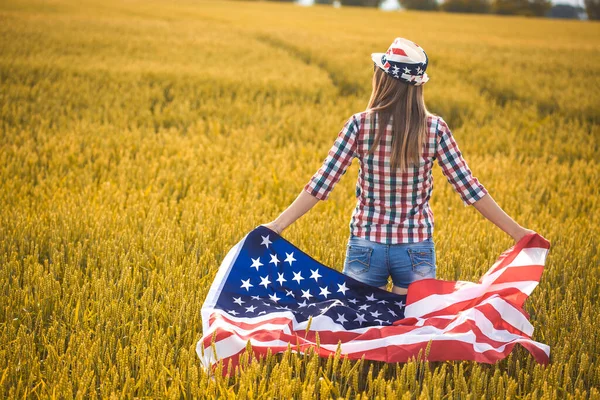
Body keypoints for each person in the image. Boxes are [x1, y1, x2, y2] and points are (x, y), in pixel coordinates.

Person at [262, 37, 534, 295]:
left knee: (363, 331)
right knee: (411, 333)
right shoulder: (435, 129)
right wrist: (518, 233)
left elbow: (320, 184)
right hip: (415, 249)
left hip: (366, 245)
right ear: (418, 85)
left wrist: (277, 225)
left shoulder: (359, 125)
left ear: (382, 78)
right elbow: (470, 189)